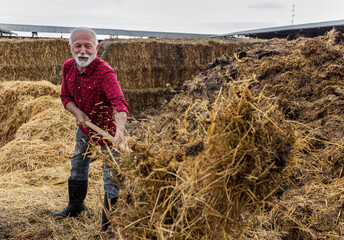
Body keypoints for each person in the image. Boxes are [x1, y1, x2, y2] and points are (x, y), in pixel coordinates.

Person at [54, 27, 129, 233]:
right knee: (78, 164)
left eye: (88, 46)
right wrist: (78, 113)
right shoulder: (68, 67)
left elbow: (119, 103)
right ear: (70, 47)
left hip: (109, 134)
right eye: (78, 46)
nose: (83, 51)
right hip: (86, 130)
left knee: (111, 178)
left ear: (97, 48)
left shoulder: (105, 72)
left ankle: (109, 226)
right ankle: (75, 206)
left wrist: (120, 131)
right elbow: (65, 97)